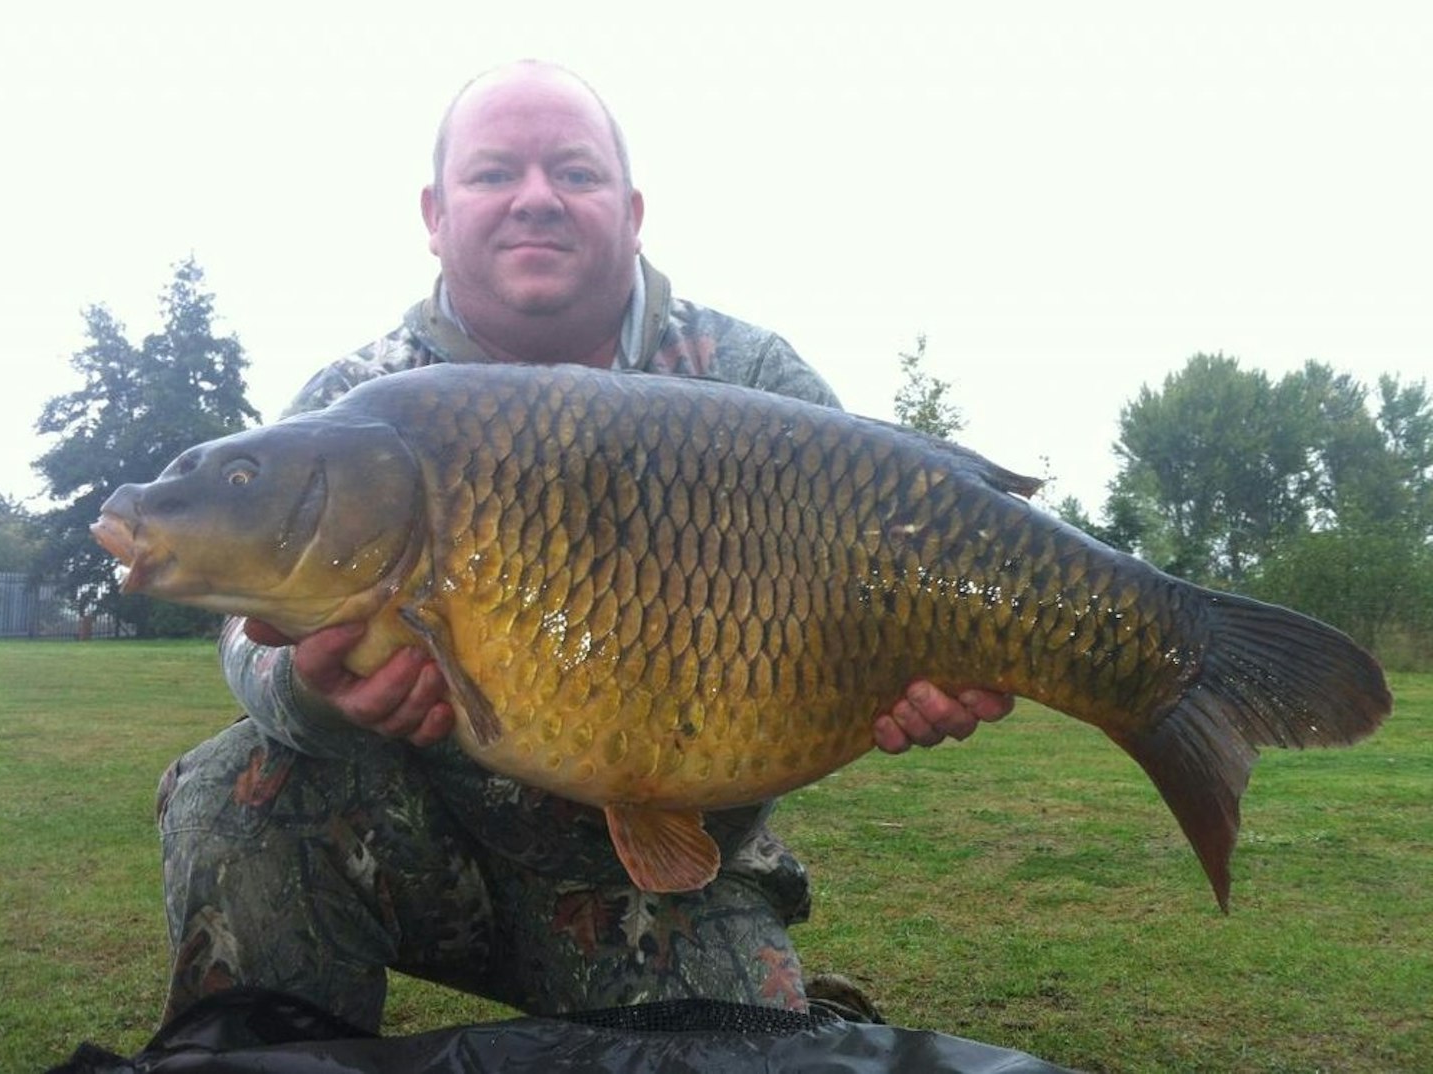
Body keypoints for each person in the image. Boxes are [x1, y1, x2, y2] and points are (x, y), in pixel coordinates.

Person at [156, 60, 1013, 1034]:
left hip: (660, 877)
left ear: (632, 209)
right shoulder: (361, 403)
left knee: (737, 1045)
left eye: (574, 171)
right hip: (411, 837)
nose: (536, 199)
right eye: (494, 174)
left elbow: (899, 552)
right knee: (237, 788)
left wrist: (922, 670)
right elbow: (247, 635)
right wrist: (312, 686)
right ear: (435, 214)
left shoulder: (750, 379)